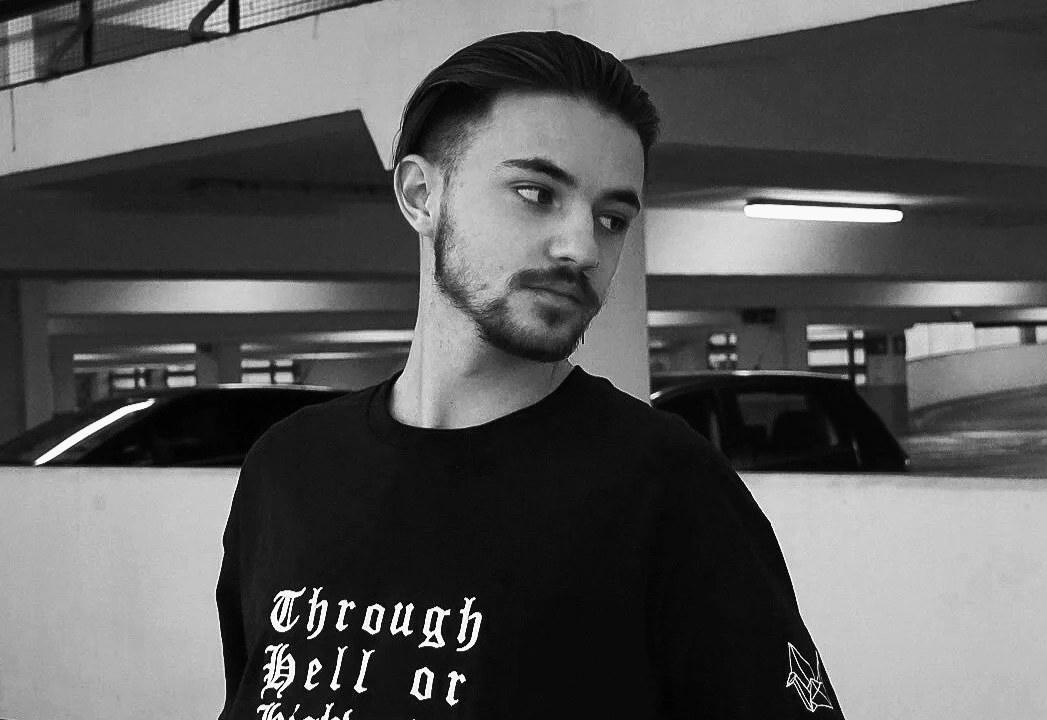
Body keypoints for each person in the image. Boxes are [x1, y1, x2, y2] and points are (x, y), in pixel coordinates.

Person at [216, 31, 843, 720]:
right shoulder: (290, 469)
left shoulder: (668, 490)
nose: (582, 247)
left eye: (611, 218)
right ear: (422, 194)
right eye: (536, 193)